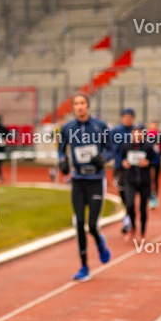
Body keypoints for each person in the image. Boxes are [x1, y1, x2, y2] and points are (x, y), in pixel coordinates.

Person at [57, 93, 111, 281]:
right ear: (73, 107)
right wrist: (62, 162)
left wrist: (103, 158)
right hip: (78, 181)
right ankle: (84, 267)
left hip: (96, 180)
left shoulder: (100, 126)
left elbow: (111, 149)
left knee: (93, 225)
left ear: (87, 106)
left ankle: (100, 243)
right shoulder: (67, 128)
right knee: (79, 223)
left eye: (82, 103)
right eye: (76, 104)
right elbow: (60, 150)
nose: (79, 106)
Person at [120, 125, 158, 241]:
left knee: (142, 208)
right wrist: (123, 163)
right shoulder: (127, 146)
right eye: (134, 133)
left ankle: (142, 232)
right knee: (129, 205)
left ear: (143, 135)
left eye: (139, 133)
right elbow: (120, 158)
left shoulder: (147, 147)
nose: (137, 136)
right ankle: (133, 227)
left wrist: (148, 163)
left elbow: (156, 160)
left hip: (144, 182)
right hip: (130, 181)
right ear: (132, 134)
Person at [108, 109, 135, 235]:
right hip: (120, 168)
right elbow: (112, 149)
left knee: (132, 197)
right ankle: (128, 216)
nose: (127, 119)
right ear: (122, 118)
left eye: (130, 117)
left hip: (135, 169)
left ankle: (129, 218)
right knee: (124, 195)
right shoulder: (116, 132)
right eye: (125, 117)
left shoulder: (137, 131)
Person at [146, 120, 161, 209]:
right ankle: (150, 196)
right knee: (148, 179)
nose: (153, 129)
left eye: (155, 127)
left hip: (157, 161)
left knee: (155, 179)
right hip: (148, 162)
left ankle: (155, 196)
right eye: (151, 127)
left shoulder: (160, 137)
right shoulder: (145, 138)